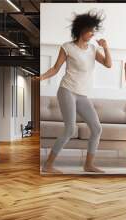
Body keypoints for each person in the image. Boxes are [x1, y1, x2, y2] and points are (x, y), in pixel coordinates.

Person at [40, 10, 112, 173]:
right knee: (70, 129)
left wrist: (106, 48)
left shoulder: (93, 49)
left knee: (96, 128)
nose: (92, 34)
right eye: (90, 31)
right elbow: (55, 68)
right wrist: (41, 78)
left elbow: (108, 65)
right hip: (67, 91)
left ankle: (88, 164)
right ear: (81, 30)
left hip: (82, 95)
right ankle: (48, 165)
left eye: (94, 30)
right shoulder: (67, 47)